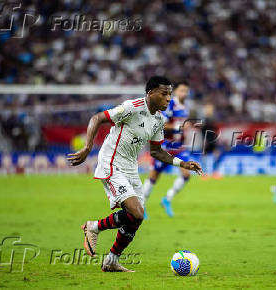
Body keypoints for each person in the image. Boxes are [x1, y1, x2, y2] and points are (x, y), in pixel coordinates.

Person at [67, 76, 202, 272]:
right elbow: (97, 118)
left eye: (170, 95)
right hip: (111, 163)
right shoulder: (132, 107)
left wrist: (182, 163)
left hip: (130, 167)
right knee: (137, 211)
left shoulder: (158, 120)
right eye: (164, 94)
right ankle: (93, 227)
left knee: (137, 218)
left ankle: (112, 260)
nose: (168, 99)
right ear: (150, 93)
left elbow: (156, 151)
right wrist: (88, 148)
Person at [142, 81, 191, 218]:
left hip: (179, 147)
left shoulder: (185, 107)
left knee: (186, 174)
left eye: (186, 91)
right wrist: (178, 128)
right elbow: (160, 124)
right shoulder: (170, 104)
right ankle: (141, 205)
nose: (184, 94)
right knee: (153, 177)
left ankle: (167, 199)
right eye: (181, 91)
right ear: (176, 92)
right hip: (166, 146)